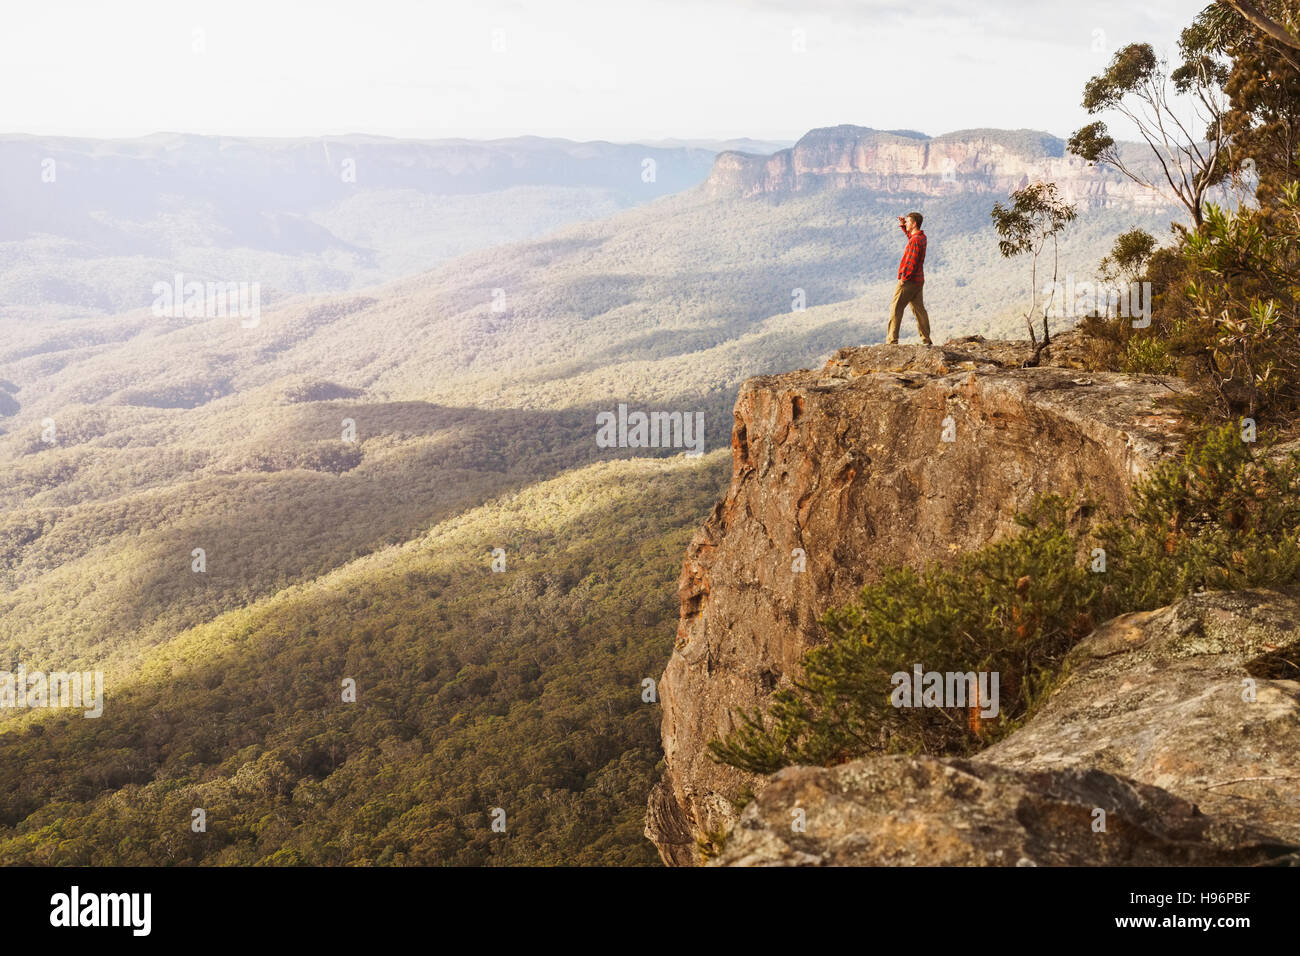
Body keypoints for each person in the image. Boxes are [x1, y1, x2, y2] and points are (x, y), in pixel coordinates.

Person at [887, 212, 932, 345]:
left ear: (914, 224)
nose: (906, 223)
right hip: (918, 281)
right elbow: (911, 238)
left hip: (909, 281)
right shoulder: (921, 237)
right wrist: (903, 226)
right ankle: (926, 339)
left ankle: (892, 341)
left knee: (895, 308)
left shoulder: (915, 240)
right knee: (919, 310)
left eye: (907, 222)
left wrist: (903, 278)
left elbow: (911, 261)